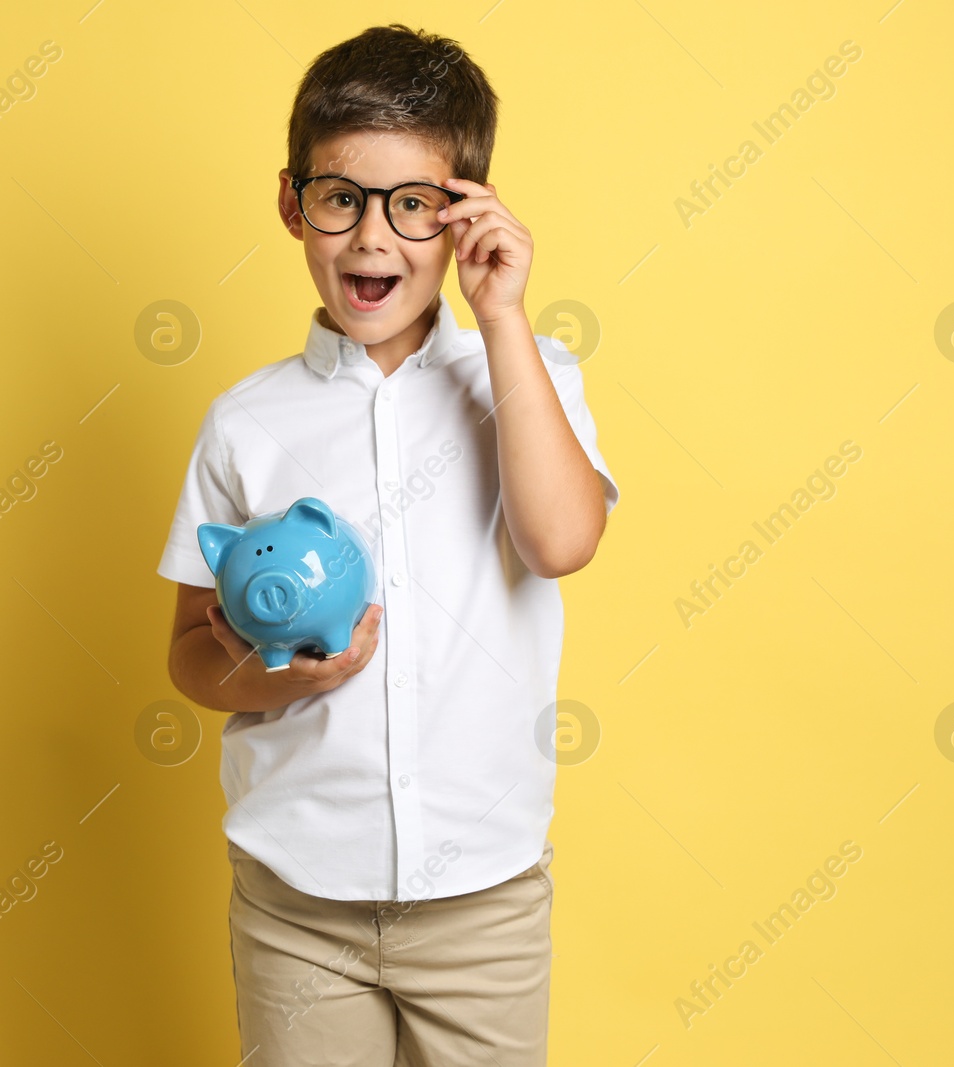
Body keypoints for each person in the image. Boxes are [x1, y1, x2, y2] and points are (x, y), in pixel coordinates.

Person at [156, 22, 619, 1066]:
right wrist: (286, 676)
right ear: (292, 205)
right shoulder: (246, 422)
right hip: (297, 902)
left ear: (464, 216)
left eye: (413, 204)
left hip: (482, 903)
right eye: (340, 198)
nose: (372, 238)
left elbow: (559, 541)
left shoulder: (527, 375)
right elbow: (189, 648)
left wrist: (499, 315)